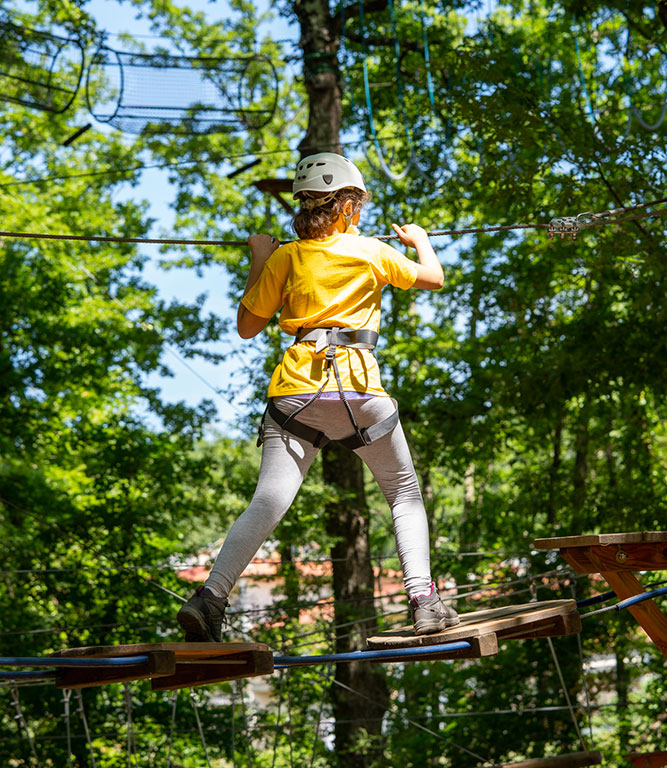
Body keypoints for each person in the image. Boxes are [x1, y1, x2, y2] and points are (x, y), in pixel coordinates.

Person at [177, 152, 459, 642]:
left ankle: (211, 599)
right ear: (348, 206)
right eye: (361, 206)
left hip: (296, 394)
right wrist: (422, 244)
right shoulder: (371, 249)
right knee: (404, 495)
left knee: (268, 502)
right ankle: (425, 603)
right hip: (358, 391)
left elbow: (247, 327)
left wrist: (260, 260)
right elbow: (433, 278)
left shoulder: (287, 256)